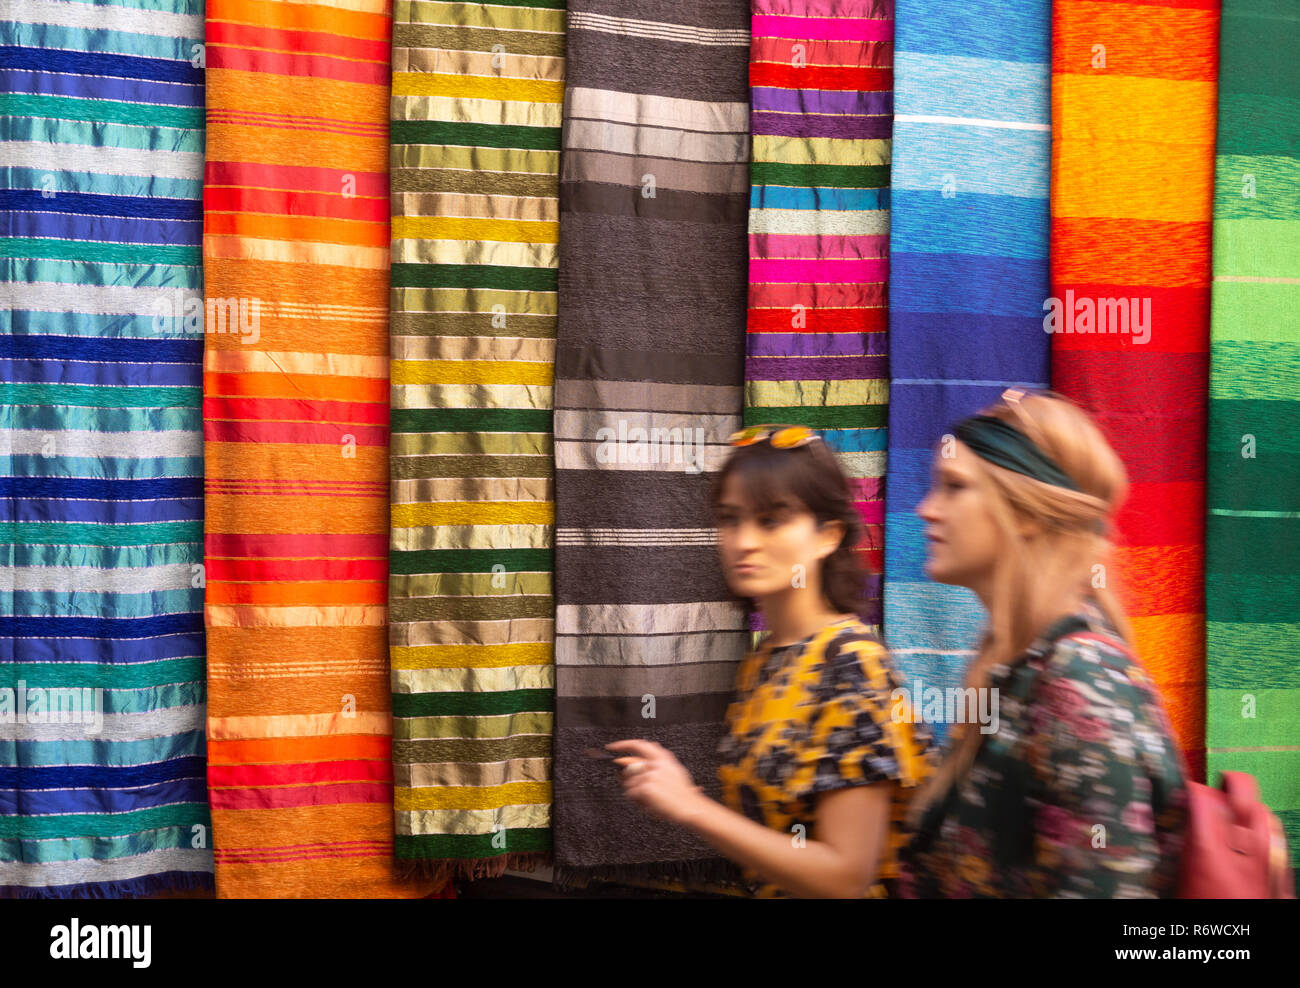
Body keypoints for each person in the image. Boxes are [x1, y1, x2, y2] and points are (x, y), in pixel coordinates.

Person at [606, 424, 932, 898]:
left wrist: (690, 806)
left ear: (828, 536)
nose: (744, 541)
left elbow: (846, 877)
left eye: (771, 520)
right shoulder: (766, 660)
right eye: (730, 518)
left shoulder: (850, 664)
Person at [897, 388, 1189, 898]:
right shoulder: (1019, 665)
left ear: (1029, 512)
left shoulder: (1080, 679)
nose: (925, 510)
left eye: (954, 487)